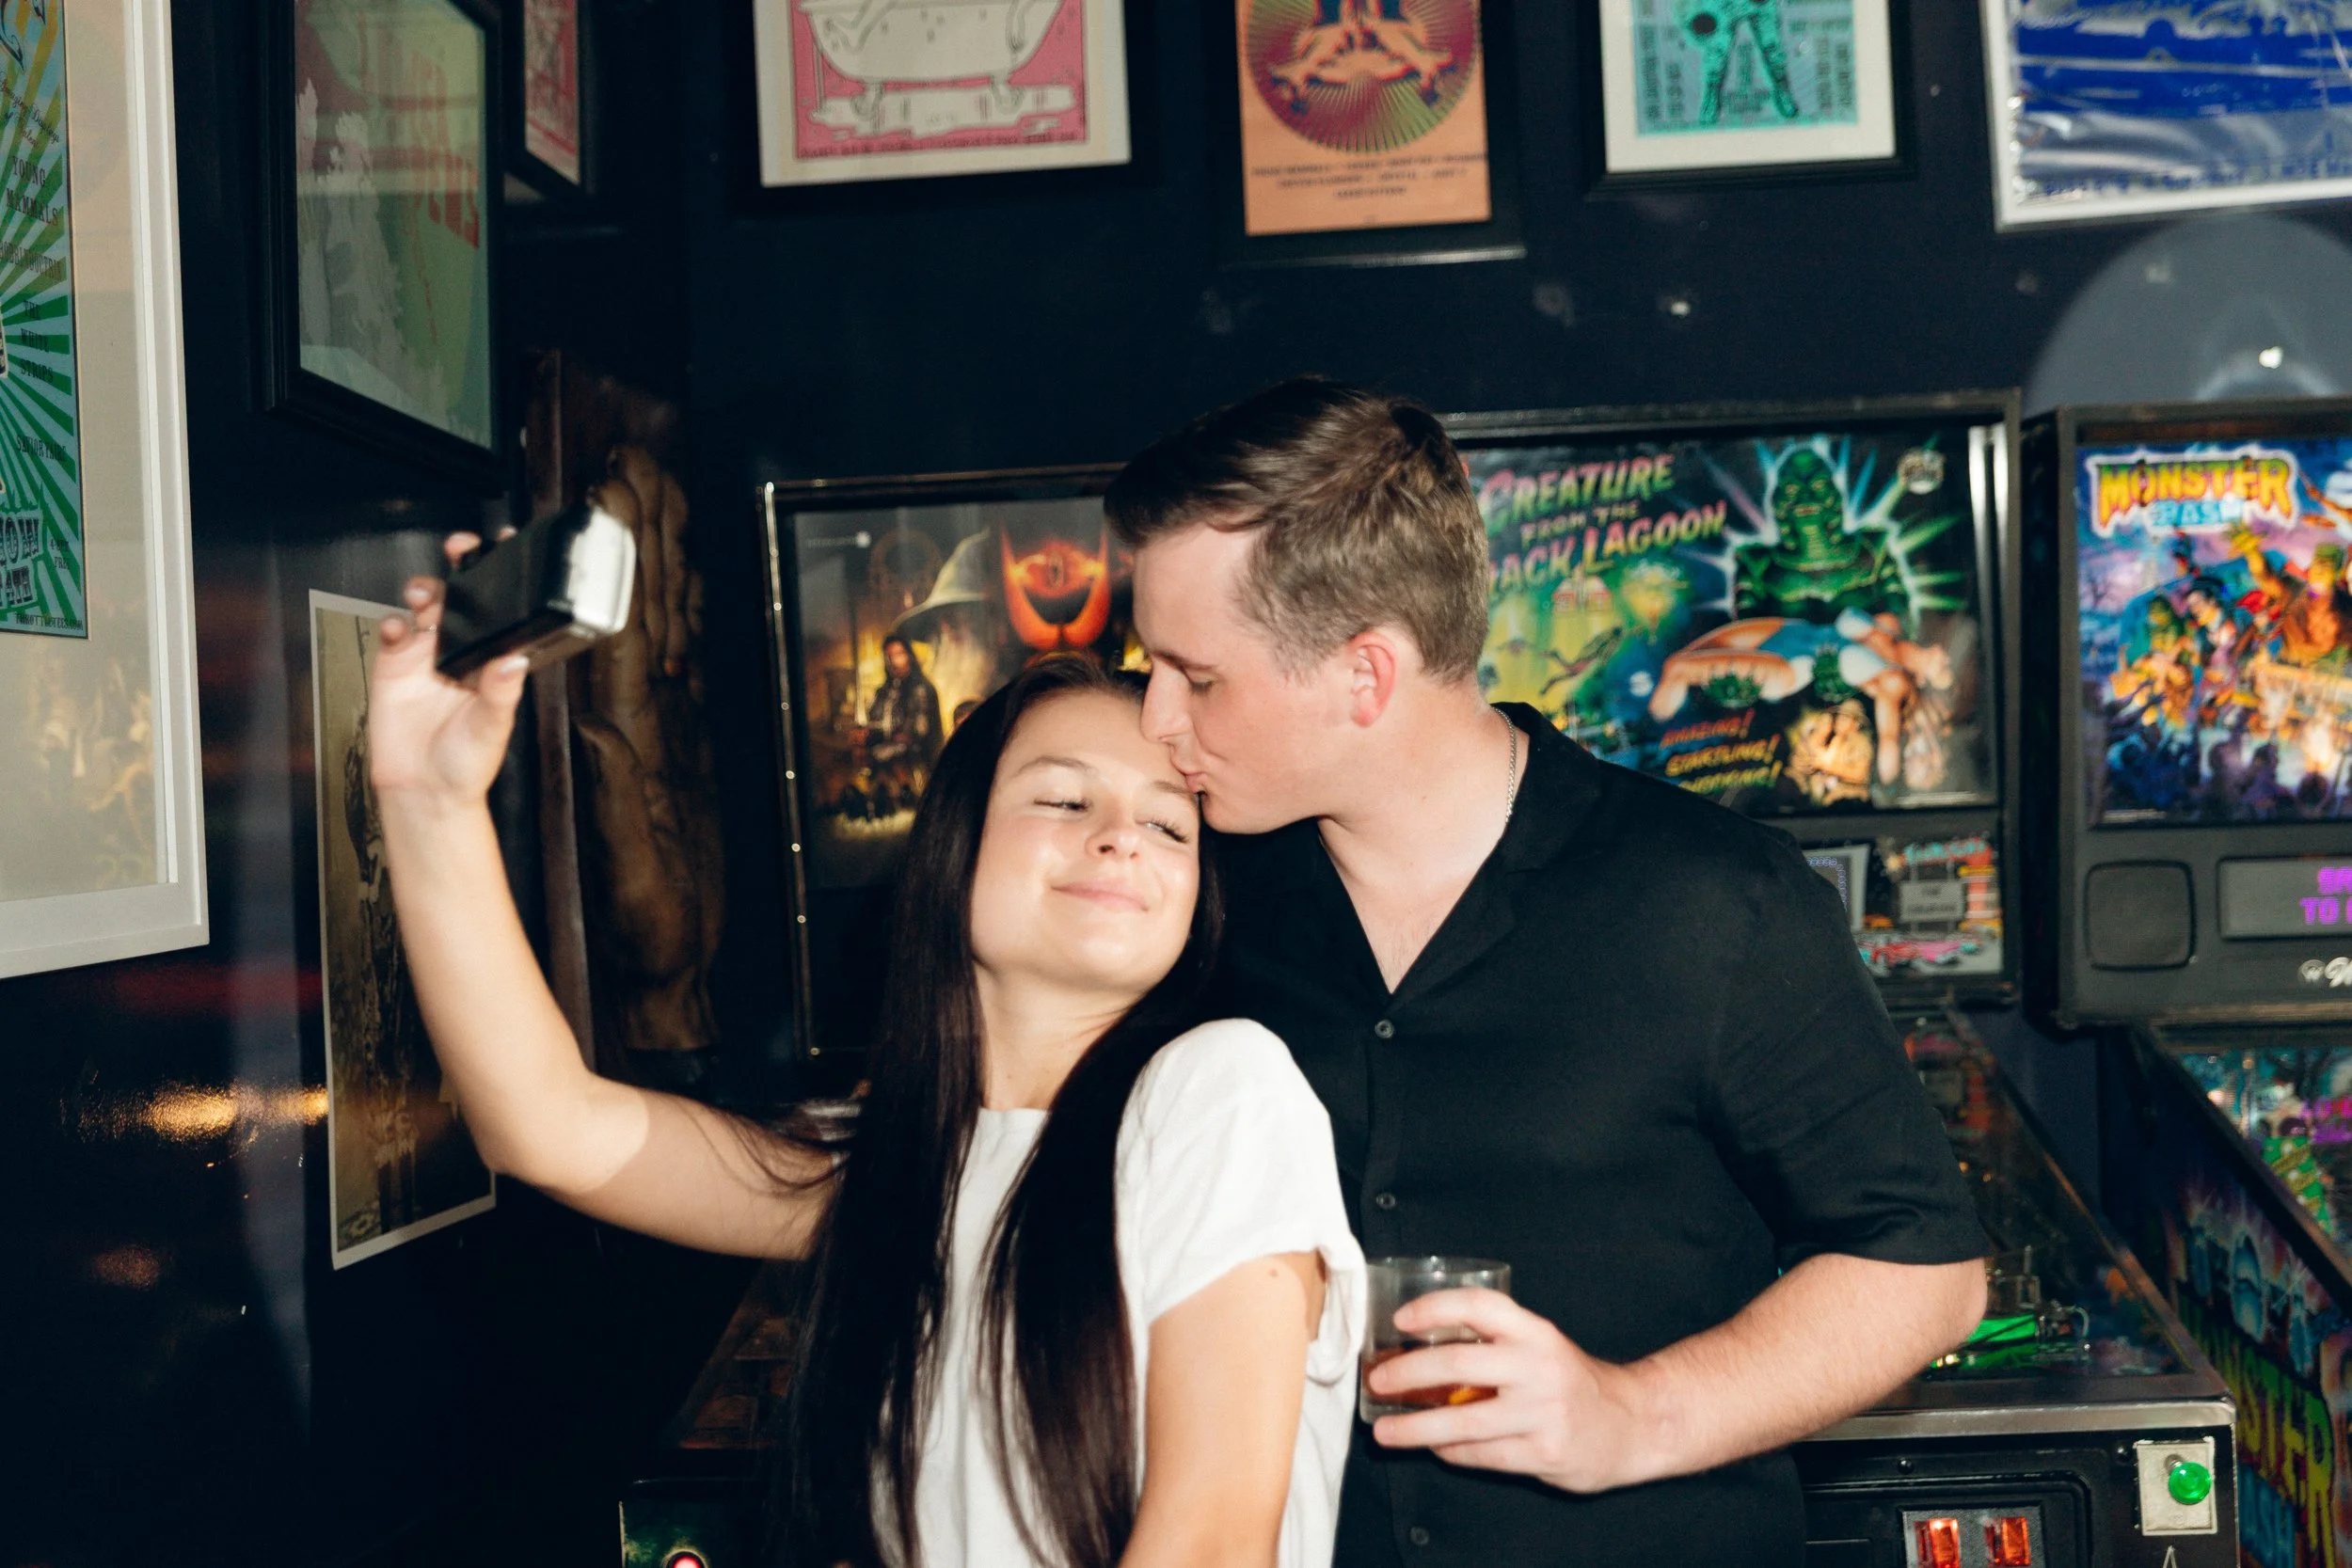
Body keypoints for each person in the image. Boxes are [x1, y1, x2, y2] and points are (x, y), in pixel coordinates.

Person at [1105, 379, 1989, 1568]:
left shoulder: (1714, 898)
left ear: (1365, 676)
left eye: (1197, 676)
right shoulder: (1199, 900)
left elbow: (1923, 1268)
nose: (1157, 718)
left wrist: (1633, 1413)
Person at [365, 557, 1366, 1568]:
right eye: (1066, 800)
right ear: (954, 846)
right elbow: (545, 1126)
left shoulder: (1221, 1093)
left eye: (1165, 821)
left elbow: (1210, 1543)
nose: (1122, 840)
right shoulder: (902, 1157)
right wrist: (427, 796)